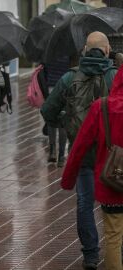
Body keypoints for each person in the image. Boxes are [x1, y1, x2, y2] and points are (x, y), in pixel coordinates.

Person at [41, 32, 118, 270]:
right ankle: (117, 249)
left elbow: (47, 111)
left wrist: (67, 119)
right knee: (116, 201)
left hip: (82, 151)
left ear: (85, 50)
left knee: (85, 203)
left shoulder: (69, 78)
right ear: (107, 50)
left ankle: (91, 255)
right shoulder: (116, 76)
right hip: (112, 153)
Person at [61, 64, 123, 270]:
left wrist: (68, 179)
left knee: (113, 237)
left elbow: (80, 146)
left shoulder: (101, 106)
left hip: (113, 183)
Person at [44, 57, 69, 167]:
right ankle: (61, 157)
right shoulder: (71, 50)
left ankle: (53, 150)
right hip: (65, 87)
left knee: (51, 118)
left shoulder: (50, 50)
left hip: (51, 87)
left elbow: (44, 68)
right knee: (63, 121)